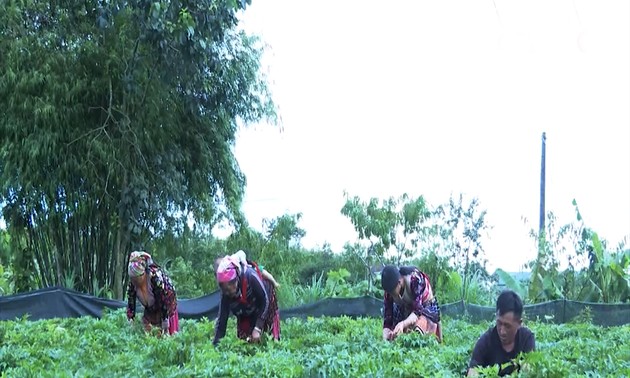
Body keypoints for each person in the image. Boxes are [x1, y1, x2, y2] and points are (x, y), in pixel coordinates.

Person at [467, 290, 536, 377]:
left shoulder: (526, 338)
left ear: (519, 323)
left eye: (507, 326)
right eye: (499, 323)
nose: (502, 331)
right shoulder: (486, 341)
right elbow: (473, 370)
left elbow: (529, 370)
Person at [381, 265, 443, 343]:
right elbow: (387, 319)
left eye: (392, 293)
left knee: (417, 330)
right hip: (405, 307)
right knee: (396, 333)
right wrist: (386, 335)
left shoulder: (414, 279)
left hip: (425, 306)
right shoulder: (389, 292)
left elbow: (417, 311)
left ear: (399, 282)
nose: (391, 296)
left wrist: (403, 324)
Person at [126, 251, 179, 335]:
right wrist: (130, 321)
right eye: (132, 279)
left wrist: (165, 323)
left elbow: (163, 302)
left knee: (167, 339)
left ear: (142, 275)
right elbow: (131, 305)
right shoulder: (133, 284)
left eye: (136, 279)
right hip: (151, 310)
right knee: (149, 338)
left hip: (166, 309)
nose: (134, 281)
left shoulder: (155, 278)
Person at [214, 250, 281, 289]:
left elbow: (241, 253)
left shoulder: (232, 261)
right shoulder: (223, 280)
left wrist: (244, 263)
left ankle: (275, 283)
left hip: (247, 267)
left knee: (263, 271)